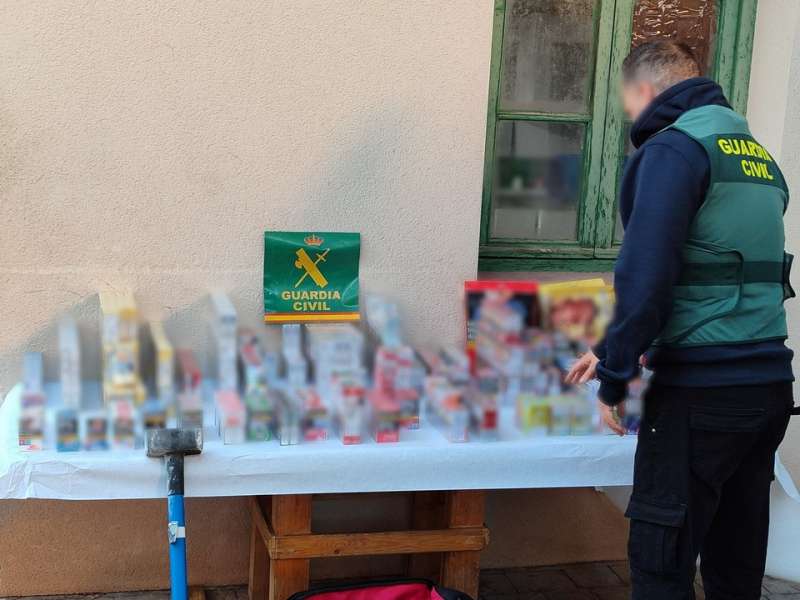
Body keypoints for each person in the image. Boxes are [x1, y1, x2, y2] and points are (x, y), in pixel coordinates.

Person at [566, 40, 797, 600]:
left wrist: (613, 379)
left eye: (627, 101)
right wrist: (611, 346)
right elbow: (713, 274)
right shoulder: (757, 157)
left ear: (645, 91)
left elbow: (648, 276)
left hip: (700, 393)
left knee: (661, 562)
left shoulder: (674, 150)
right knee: (735, 561)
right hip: (767, 387)